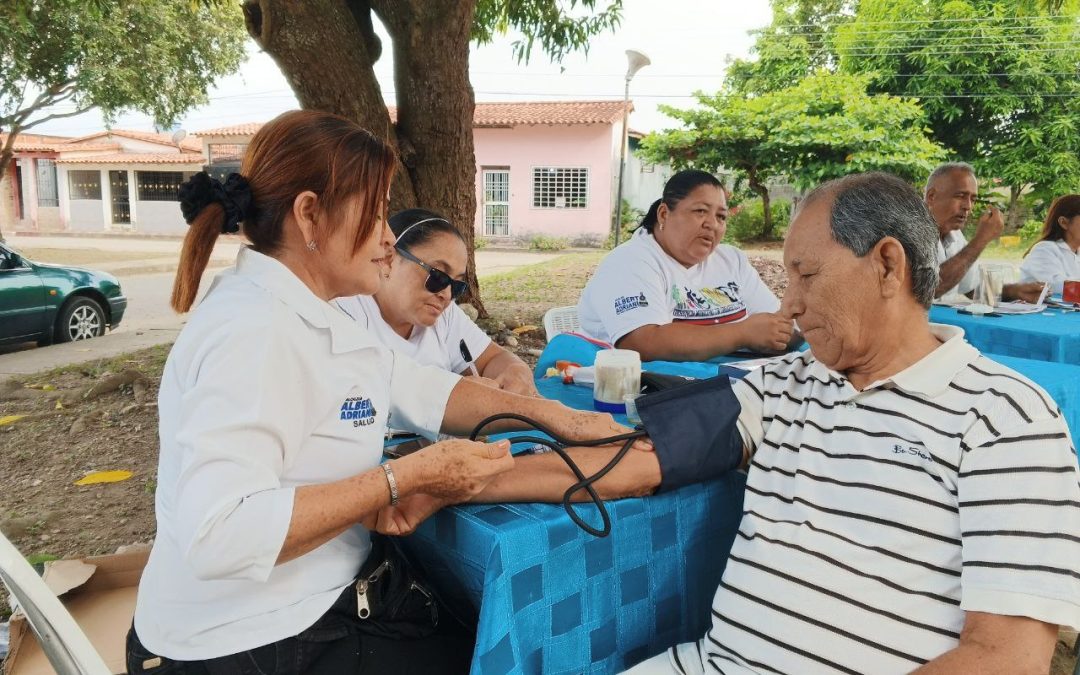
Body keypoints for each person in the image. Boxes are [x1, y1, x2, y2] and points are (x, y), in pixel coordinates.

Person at [128, 109, 652, 674]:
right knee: (496, 650)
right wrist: (401, 478)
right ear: (310, 215)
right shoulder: (256, 332)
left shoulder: (308, 315)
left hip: (307, 599)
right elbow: (220, 535)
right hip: (252, 636)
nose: (386, 238)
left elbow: (422, 388)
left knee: (478, 627)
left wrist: (560, 420)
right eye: (375, 213)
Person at [625, 172, 1080, 674]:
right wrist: (541, 416)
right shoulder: (790, 380)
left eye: (808, 275)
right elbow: (642, 454)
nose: (791, 305)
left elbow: (1008, 659)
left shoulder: (1006, 419)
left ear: (888, 265)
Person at [577, 169, 799, 362]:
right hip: (644, 394)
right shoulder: (629, 262)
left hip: (730, 384)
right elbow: (643, 342)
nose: (712, 224)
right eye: (700, 211)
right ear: (664, 214)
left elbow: (779, 323)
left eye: (721, 217)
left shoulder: (732, 260)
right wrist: (742, 333)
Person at [336, 208, 537, 396]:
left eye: (457, 286)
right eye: (438, 276)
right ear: (389, 259)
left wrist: (516, 371)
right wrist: (457, 393)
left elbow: (494, 359)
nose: (447, 295)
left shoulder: (445, 317)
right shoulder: (346, 312)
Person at [924, 162, 1044, 302]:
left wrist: (1015, 291)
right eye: (960, 196)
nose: (968, 206)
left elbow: (970, 289)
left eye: (972, 199)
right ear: (931, 196)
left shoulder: (955, 235)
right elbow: (931, 289)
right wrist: (981, 239)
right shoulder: (909, 229)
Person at [1020, 193, 1080, 295]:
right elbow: (1057, 287)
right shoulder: (1044, 250)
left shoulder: (1077, 252)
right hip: (1038, 310)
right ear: (1064, 222)